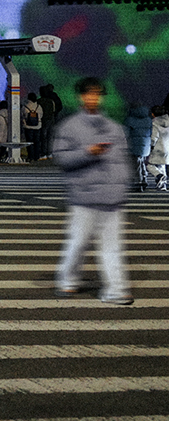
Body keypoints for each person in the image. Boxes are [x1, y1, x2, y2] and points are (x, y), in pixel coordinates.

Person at [52, 76, 133, 305]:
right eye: (88, 93)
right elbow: (62, 158)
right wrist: (89, 152)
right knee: (77, 242)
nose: (92, 97)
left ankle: (116, 290)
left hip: (112, 198)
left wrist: (123, 185)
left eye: (96, 93)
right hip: (84, 196)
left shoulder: (114, 127)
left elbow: (121, 161)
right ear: (80, 96)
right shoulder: (69, 126)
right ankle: (67, 280)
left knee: (113, 247)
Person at [147, 105, 169, 191]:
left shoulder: (154, 123)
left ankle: (159, 176)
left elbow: (154, 137)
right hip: (167, 148)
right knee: (162, 166)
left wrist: (151, 146)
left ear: (153, 114)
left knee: (149, 165)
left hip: (158, 147)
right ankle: (162, 186)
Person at [22, 92, 44, 161]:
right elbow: (41, 115)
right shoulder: (39, 106)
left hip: (27, 127)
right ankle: (36, 156)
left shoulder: (25, 107)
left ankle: (30, 156)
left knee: (29, 142)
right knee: (37, 142)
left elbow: (22, 116)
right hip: (38, 126)